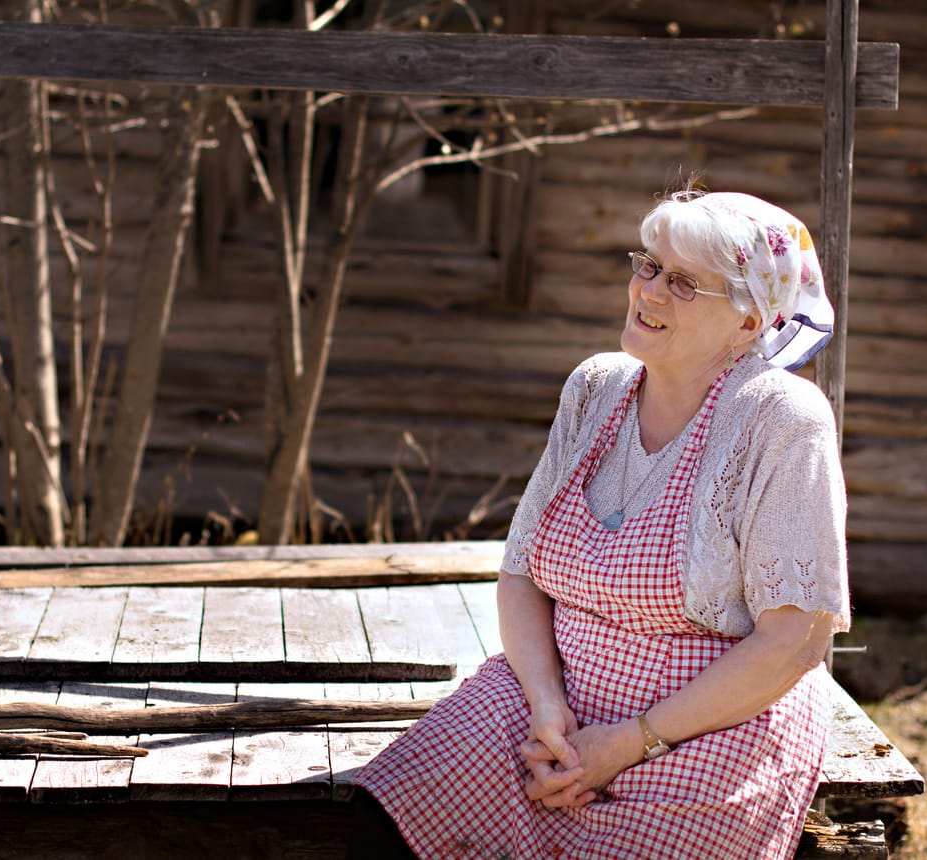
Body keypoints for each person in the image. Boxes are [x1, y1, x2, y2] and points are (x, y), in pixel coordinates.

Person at [347, 188, 851, 860]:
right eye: (647, 265)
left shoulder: (782, 419)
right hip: (554, 699)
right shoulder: (597, 387)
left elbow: (794, 643)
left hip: (709, 727)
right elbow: (522, 572)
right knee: (387, 813)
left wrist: (628, 741)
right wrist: (548, 710)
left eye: (682, 282)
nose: (649, 291)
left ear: (748, 321)